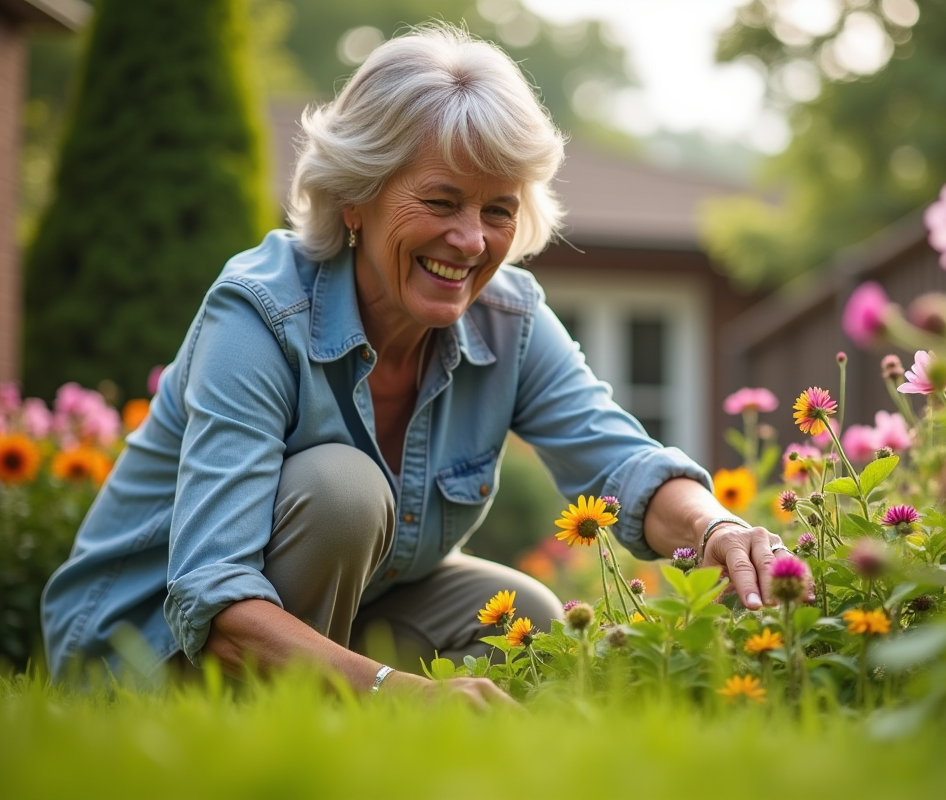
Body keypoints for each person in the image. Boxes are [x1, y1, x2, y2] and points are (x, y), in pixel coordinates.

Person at [41, 23, 787, 706]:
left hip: (328, 618)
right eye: (441, 201)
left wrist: (716, 529)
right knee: (342, 491)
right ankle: (271, 747)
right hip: (137, 652)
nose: (470, 240)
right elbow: (212, 592)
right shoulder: (261, 313)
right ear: (355, 198)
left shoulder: (511, 320)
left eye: (498, 210)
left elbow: (620, 465)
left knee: (527, 615)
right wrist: (399, 697)